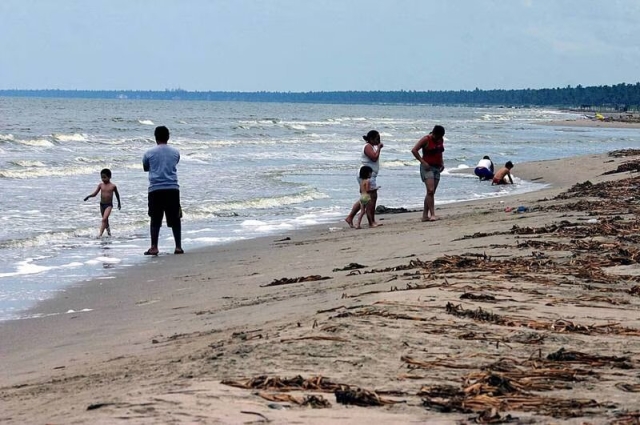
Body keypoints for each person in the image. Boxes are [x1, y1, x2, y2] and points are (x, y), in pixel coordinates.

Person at [142, 126, 183, 255]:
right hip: (172, 187)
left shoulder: (149, 153)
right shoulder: (175, 152)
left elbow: (145, 167)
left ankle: (154, 246)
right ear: (168, 137)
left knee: (155, 219)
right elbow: (174, 163)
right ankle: (178, 246)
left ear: (155, 137)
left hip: (155, 188)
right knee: (175, 218)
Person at [345, 130, 383, 228]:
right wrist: (379, 148)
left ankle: (350, 217)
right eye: (377, 139)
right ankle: (371, 222)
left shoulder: (370, 146)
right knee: (372, 198)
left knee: (364, 198)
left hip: (369, 174)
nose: (379, 140)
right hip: (367, 174)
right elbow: (374, 157)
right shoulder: (367, 147)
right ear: (371, 139)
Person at [412, 125, 445, 222]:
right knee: (430, 190)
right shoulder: (426, 139)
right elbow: (414, 150)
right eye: (437, 136)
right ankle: (433, 214)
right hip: (427, 167)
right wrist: (422, 161)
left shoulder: (440, 140)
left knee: (431, 192)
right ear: (434, 133)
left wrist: (442, 162)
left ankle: (425, 215)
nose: (438, 138)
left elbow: (440, 152)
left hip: (437, 167)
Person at [84, 168, 121, 237]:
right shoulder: (101, 185)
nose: (103, 179)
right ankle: (109, 234)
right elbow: (95, 194)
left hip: (109, 205)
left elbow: (117, 195)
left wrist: (119, 203)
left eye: (105, 177)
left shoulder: (113, 186)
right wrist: (89, 196)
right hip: (102, 205)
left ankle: (100, 234)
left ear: (109, 177)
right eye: (102, 177)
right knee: (105, 220)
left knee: (104, 219)